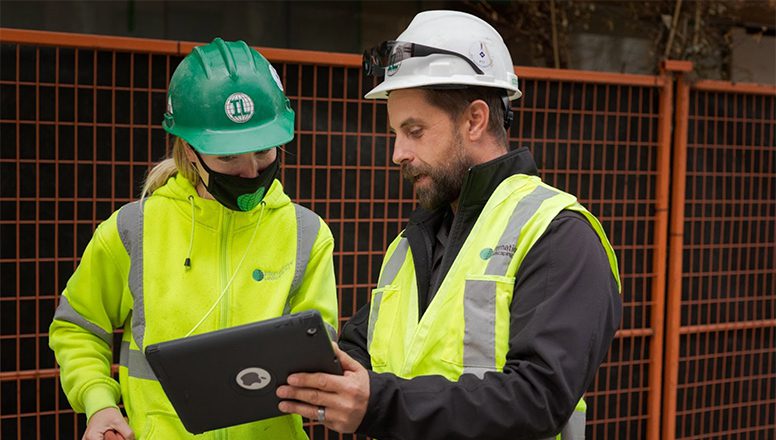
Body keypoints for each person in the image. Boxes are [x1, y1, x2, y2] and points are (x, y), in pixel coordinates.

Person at [276, 10, 622, 440]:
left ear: (475, 120)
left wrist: (379, 403)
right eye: (395, 134)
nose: (397, 153)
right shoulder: (411, 243)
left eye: (415, 130)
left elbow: (538, 398)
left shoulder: (557, 234)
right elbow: (362, 356)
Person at [49, 38, 338, 440]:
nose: (250, 171)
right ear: (188, 146)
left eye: (263, 152)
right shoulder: (135, 230)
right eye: (227, 157)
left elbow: (319, 349)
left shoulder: (307, 235)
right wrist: (99, 404)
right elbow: (78, 327)